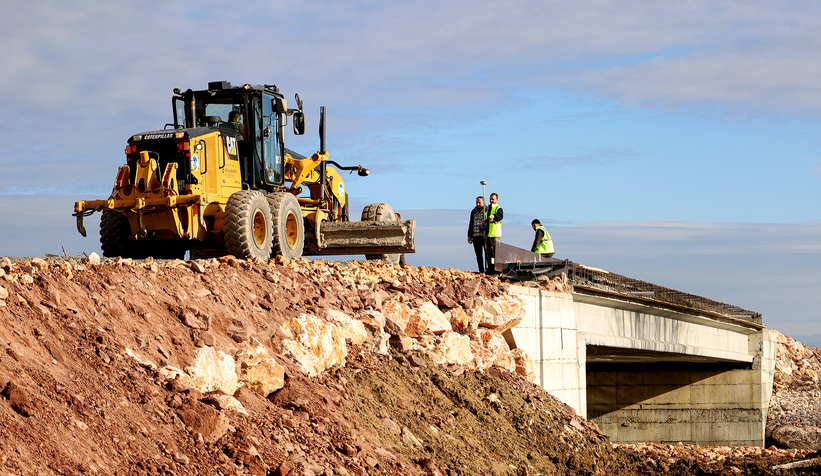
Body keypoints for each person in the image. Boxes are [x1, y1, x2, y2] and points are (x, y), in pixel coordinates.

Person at [484, 193, 503, 273]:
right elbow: (488, 220)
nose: (491, 200)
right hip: (488, 233)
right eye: (490, 199)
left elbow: (500, 217)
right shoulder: (488, 209)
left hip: (495, 233)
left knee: (496, 252)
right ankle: (490, 268)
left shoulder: (498, 208)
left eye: (493, 199)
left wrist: (494, 216)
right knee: (488, 251)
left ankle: (497, 268)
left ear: (497, 200)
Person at [467, 196, 486, 273]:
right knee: (478, 255)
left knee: (487, 254)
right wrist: (469, 235)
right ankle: (481, 270)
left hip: (484, 235)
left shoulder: (487, 210)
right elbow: (471, 223)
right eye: (477, 202)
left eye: (479, 202)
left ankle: (488, 269)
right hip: (475, 235)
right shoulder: (473, 211)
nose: (478, 204)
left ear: (483, 202)